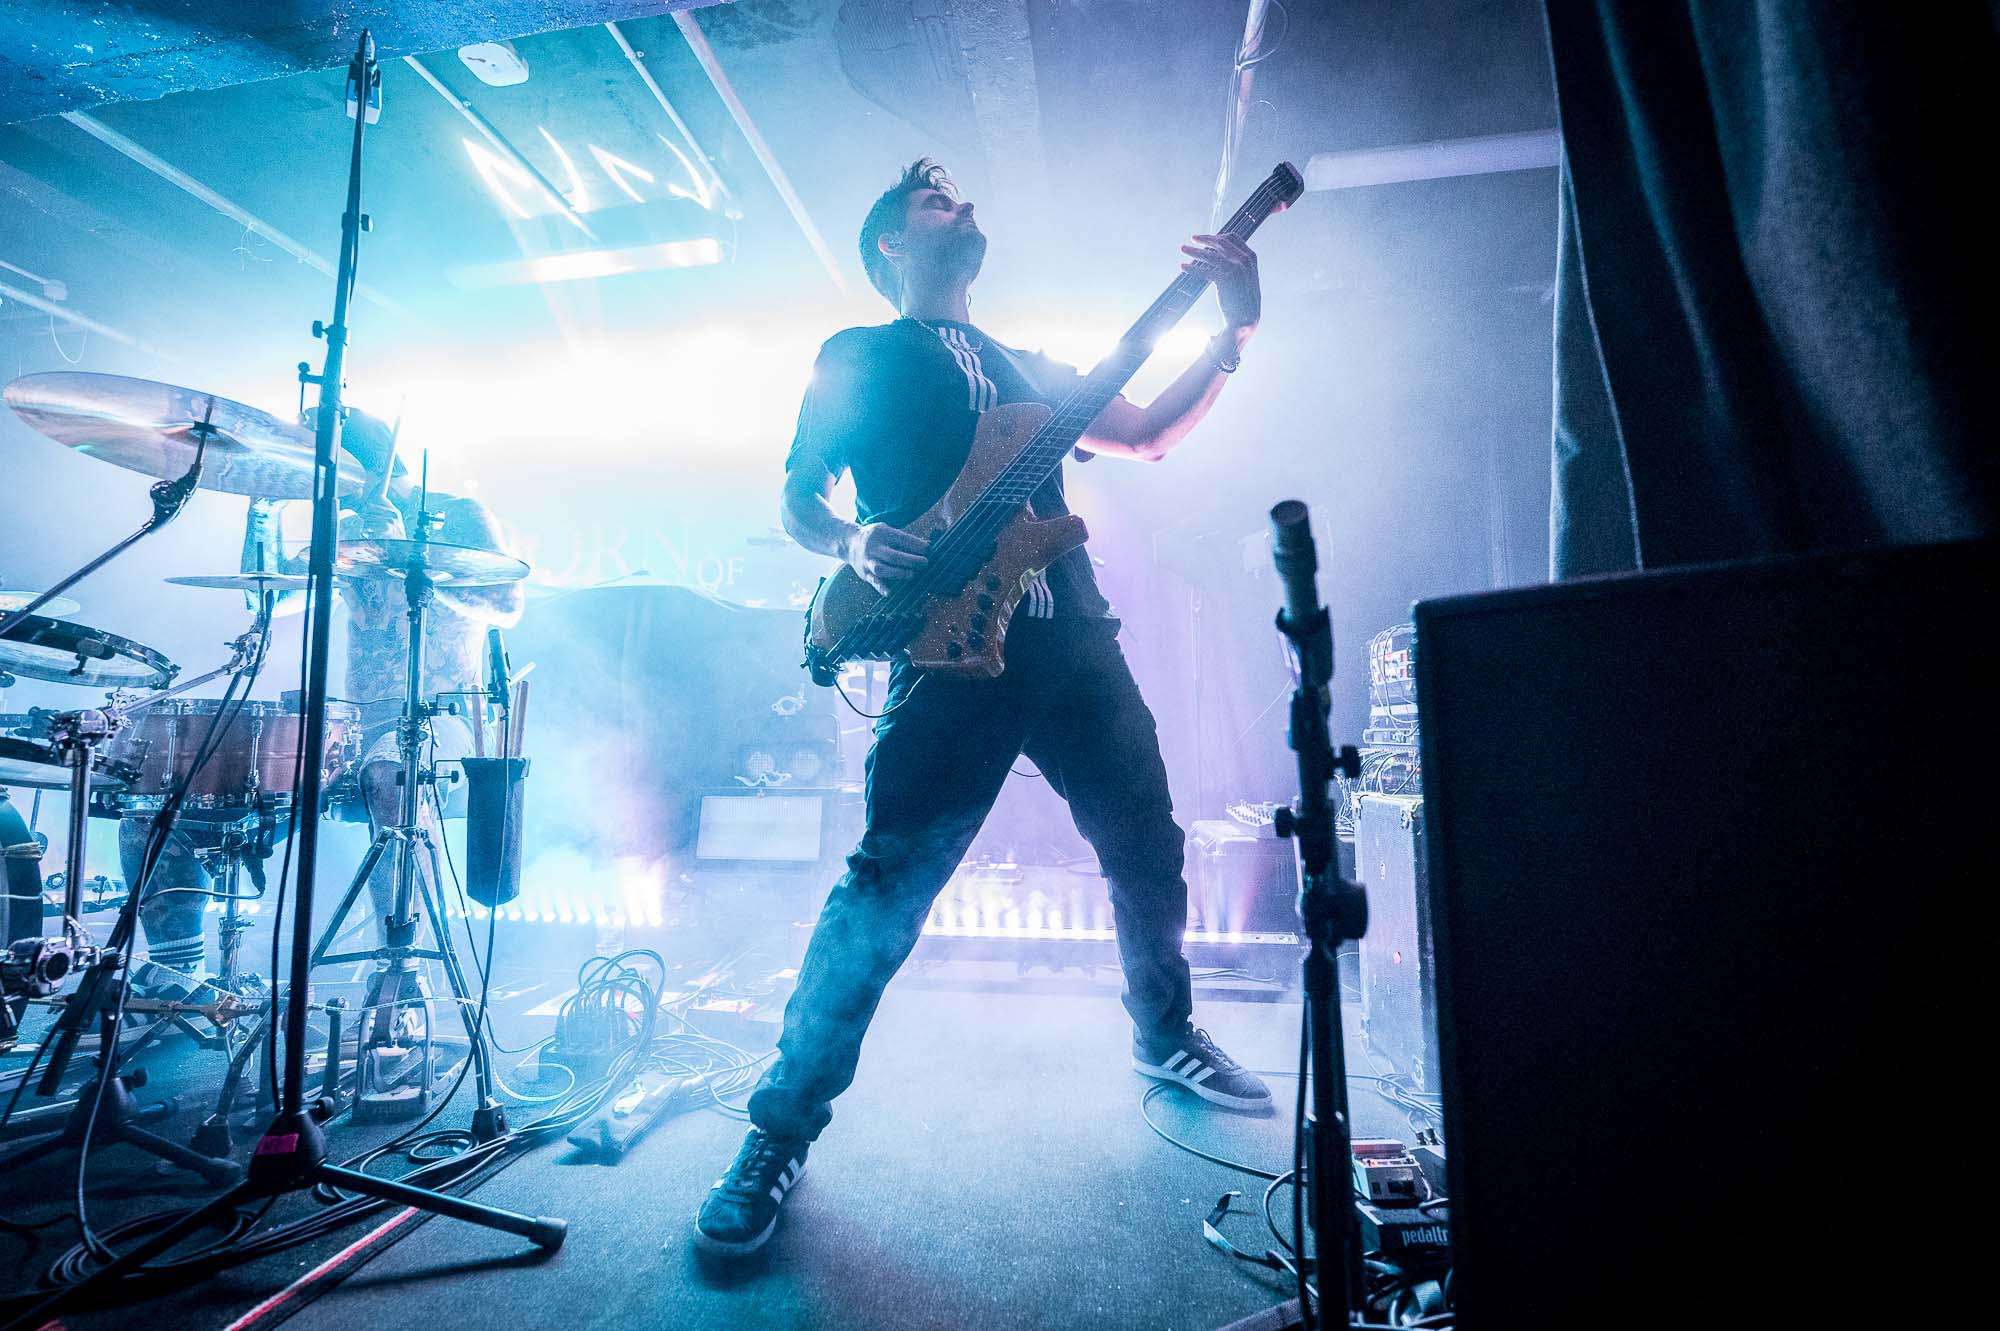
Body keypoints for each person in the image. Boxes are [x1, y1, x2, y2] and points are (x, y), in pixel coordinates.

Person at [693, 159, 1270, 1257]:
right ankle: (777, 1129)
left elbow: (1149, 432)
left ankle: (1162, 1031)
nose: (960, 205)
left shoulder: (1033, 366)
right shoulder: (858, 355)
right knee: (884, 886)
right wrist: (851, 539)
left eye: (959, 197)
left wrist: (1231, 334)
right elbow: (797, 494)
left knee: (1145, 843)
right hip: (949, 645)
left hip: (1069, 635)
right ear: (889, 246)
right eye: (932, 202)